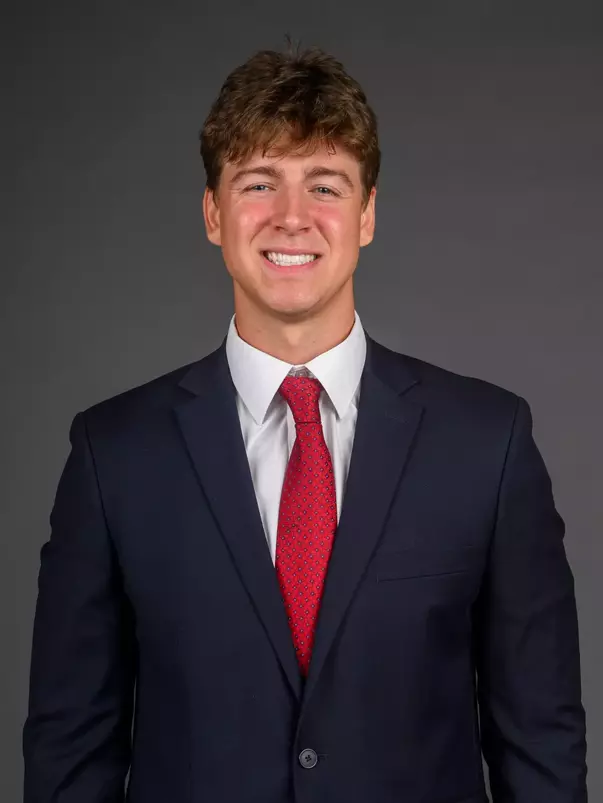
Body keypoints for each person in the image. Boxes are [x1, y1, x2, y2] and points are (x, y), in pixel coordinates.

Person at [23, 44, 587, 803]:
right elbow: (70, 754)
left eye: (325, 185)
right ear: (214, 214)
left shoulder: (487, 442)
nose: (292, 217)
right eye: (259, 183)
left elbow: (541, 747)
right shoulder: (112, 454)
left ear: (367, 215)